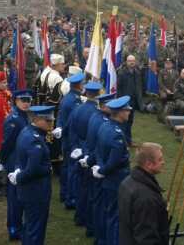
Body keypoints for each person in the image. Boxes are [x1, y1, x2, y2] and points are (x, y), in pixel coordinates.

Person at [7, 105, 55, 245]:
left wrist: (17, 171)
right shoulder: (36, 140)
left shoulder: (26, 131)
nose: (51, 123)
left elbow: (19, 155)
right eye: (48, 120)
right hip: (36, 190)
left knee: (30, 226)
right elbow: (31, 170)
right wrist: (19, 177)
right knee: (36, 229)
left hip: (30, 190)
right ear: (38, 120)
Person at [92, 96, 132, 245]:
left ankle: (101, 240)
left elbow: (98, 150)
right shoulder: (117, 134)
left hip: (108, 177)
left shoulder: (105, 126)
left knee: (107, 211)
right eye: (127, 111)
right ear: (121, 113)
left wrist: (100, 167)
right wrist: (103, 169)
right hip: (116, 178)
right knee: (116, 216)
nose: (129, 113)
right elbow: (114, 162)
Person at [80, 92, 117, 245]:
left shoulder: (96, 117)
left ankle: (91, 228)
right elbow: (99, 147)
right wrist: (94, 161)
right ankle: (99, 236)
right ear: (104, 106)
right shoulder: (102, 122)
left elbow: (89, 142)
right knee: (100, 202)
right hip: (100, 165)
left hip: (95, 162)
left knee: (94, 198)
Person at [0, 89, 34, 241]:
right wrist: (2, 160)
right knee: (14, 197)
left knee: (21, 194)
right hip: (14, 159)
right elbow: (6, 143)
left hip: (21, 158)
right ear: (16, 101)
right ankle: (14, 229)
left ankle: (19, 226)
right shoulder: (14, 119)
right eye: (23, 100)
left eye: (28, 101)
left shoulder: (23, 116)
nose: (26, 103)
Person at [118, 143, 169, 245]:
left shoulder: (126, 182)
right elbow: (147, 239)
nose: (163, 162)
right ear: (149, 164)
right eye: (160, 159)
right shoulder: (147, 197)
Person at [69, 81, 103, 228]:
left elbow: (71, 129)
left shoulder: (78, 108)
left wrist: (74, 147)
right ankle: (87, 218)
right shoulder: (97, 113)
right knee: (90, 187)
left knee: (82, 184)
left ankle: (79, 215)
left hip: (80, 145)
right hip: (91, 150)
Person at [54, 72, 84, 208]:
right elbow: (71, 122)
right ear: (79, 86)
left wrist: (59, 128)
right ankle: (71, 199)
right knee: (74, 170)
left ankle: (64, 192)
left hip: (65, 138)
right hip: (72, 139)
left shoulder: (67, 97)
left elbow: (60, 116)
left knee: (66, 166)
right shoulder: (75, 100)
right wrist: (64, 130)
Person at [116, 55, 143, 147]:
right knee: (123, 122)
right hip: (124, 102)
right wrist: (122, 100)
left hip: (133, 100)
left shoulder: (136, 72)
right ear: (126, 62)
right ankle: (123, 142)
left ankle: (129, 140)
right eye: (130, 61)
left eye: (133, 61)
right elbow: (118, 88)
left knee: (130, 121)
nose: (131, 62)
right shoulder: (122, 73)